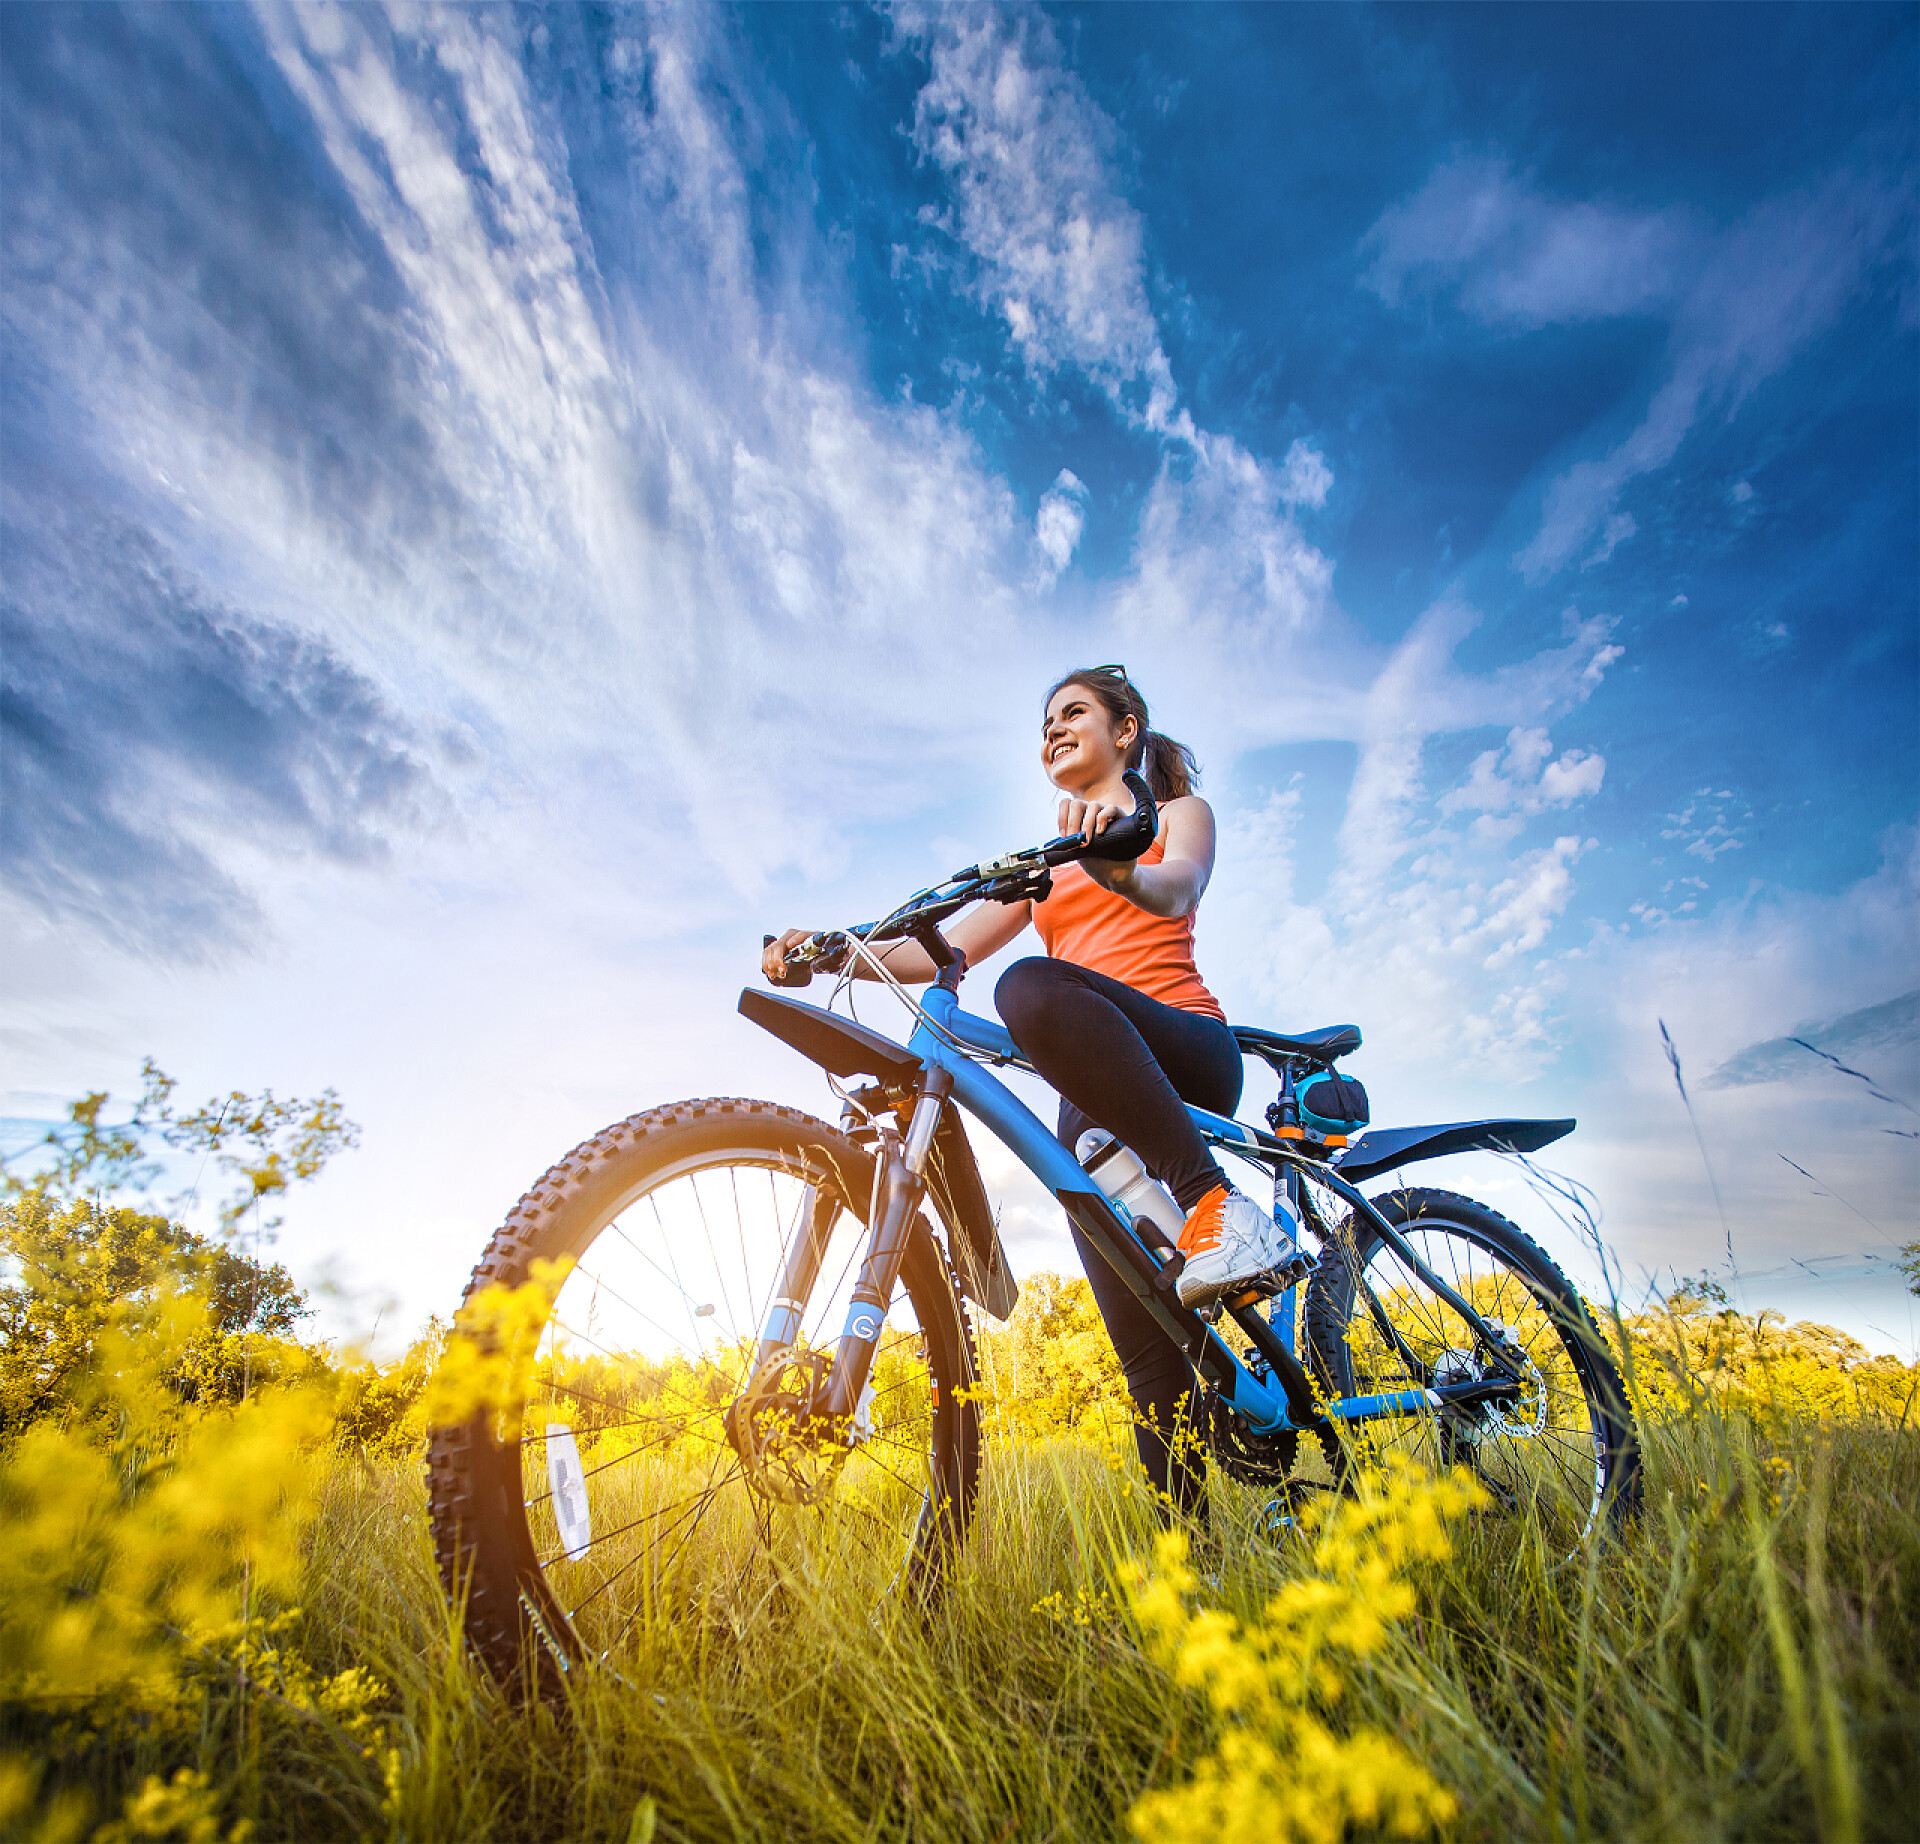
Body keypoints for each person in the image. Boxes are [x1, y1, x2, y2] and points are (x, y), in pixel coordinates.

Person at [761, 665, 1307, 1519]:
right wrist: (832, 951)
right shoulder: (1048, 863)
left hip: (1183, 1052)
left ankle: (1215, 1206)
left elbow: (1179, 887)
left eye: (1074, 712)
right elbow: (941, 952)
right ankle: (1189, 1567)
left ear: (1124, 731)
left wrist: (1119, 863)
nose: (1053, 728)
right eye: (1045, 720)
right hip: (1090, 1101)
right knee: (1146, 1345)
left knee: (1031, 990)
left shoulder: (1173, 814)